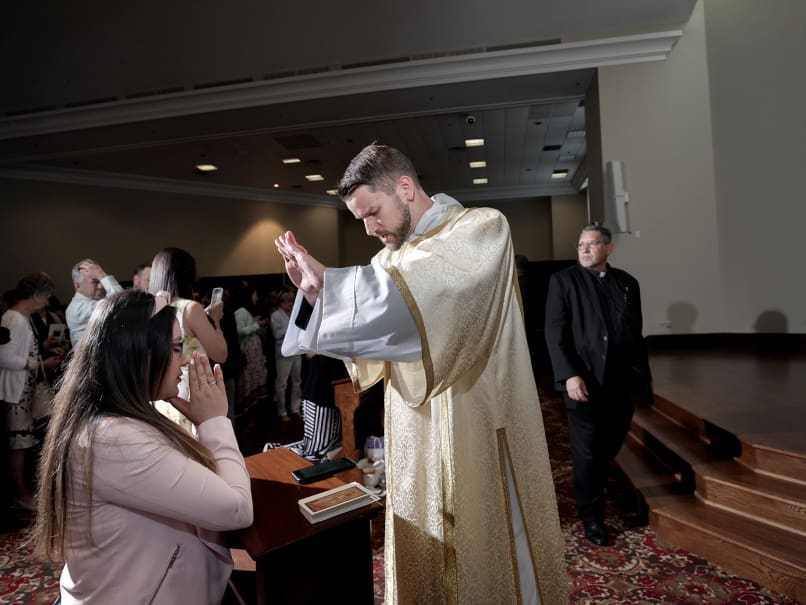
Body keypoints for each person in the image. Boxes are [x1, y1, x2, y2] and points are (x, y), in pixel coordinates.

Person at [274, 144, 567, 604]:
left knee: (491, 544)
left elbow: (427, 289)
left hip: (482, 420)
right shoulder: (388, 261)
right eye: (360, 220)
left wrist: (331, 283)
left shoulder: (482, 229)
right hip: (417, 431)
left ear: (405, 188)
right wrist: (315, 293)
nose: (369, 229)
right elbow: (366, 332)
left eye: (372, 213)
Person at [32, 290, 253, 603]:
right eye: (177, 348)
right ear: (140, 355)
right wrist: (214, 422)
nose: (187, 358)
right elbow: (237, 509)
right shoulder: (114, 440)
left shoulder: (114, 419)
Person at [544, 223, 652, 547]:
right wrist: (569, 375)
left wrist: (641, 377)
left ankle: (597, 481)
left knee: (611, 440)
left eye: (592, 244)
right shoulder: (563, 281)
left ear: (609, 248)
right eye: (580, 245)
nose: (585, 249)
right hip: (583, 382)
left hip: (620, 382)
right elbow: (554, 333)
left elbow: (635, 334)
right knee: (587, 452)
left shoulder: (627, 283)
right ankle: (592, 517)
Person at [148, 247, 227, 433]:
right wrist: (215, 320)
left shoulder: (152, 308)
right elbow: (221, 354)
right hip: (189, 388)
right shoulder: (190, 308)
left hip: (161, 389)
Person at [0, 273, 61, 511]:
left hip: (22, 389)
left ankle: (24, 491)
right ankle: (21, 494)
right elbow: (4, 357)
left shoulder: (19, 318)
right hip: (16, 392)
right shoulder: (14, 319)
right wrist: (40, 365)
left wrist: (43, 350)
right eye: (46, 297)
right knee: (19, 443)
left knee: (23, 441)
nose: (47, 302)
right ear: (35, 296)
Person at [65, 259, 123, 347]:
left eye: (101, 281)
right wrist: (101, 275)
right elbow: (122, 302)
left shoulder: (94, 300)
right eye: (95, 282)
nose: (101, 286)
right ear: (78, 286)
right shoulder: (77, 309)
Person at [270, 290, 302, 423]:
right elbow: (277, 335)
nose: (291, 304)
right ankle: (282, 411)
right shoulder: (275, 315)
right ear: (281, 302)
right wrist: (291, 326)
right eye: (288, 301)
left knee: (297, 382)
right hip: (283, 354)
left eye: (292, 301)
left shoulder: (295, 313)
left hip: (296, 351)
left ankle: (295, 408)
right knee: (282, 383)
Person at [233, 285, 268, 408]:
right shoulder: (241, 311)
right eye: (255, 294)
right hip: (248, 354)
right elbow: (240, 331)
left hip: (254, 354)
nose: (257, 297)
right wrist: (257, 325)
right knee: (248, 380)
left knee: (255, 379)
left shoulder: (247, 311)